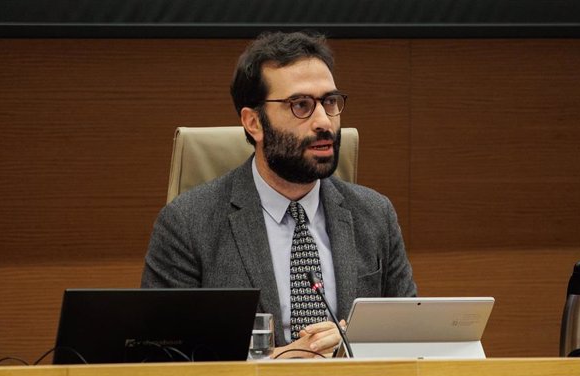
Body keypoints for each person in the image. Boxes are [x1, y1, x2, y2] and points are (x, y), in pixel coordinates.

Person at [141, 31, 417, 358]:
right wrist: (279, 361)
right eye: (301, 105)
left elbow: (411, 341)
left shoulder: (374, 214)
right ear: (253, 122)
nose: (324, 122)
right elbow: (162, 359)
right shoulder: (188, 224)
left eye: (330, 102)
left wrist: (349, 345)